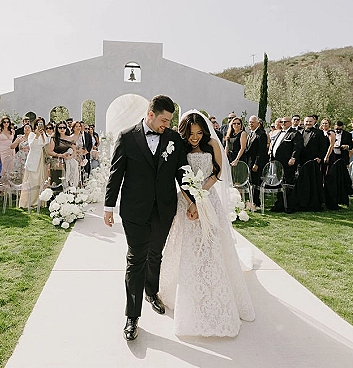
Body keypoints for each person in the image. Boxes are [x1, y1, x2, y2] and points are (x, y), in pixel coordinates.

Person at [103, 95, 196, 341]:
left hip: (164, 209)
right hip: (135, 210)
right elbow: (116, 173)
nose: (167, 125)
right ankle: (132, 316)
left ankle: (151, 292)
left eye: (170, 121)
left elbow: (181, 172)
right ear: (150, 114)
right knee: (136, 260)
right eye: (164, 120)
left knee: (156, 254)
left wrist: (193, 200)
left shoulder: (173, 138)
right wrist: (108, 206)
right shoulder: (126, 136)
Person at [159, 110, 255, 337]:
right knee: (187, 247)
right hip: (185, 201)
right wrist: (191, 202)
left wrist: (200, 199)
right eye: (191, 133)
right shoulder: (180, 147)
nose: (195, 138)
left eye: (199, 133)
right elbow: (178, 177)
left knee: (210, 246)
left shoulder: (212, 143)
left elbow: (217, 172)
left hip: (207, 198)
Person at [269, 116, 303, 212]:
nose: (283, 123)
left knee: (288, 184)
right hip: (277, 162)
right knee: (280, 183)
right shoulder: (280, 132)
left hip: (288, 163)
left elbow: (297, 147)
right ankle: (279, 204)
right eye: (281, 122)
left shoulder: (295, 134)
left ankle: (289, 205)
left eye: (285, 122)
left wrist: (293, 158)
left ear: (290, 122)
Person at [18, 118, 48, 208]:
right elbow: (31, 145)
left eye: (41, 124)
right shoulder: (32, 134)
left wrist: (42, 134)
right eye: (38, 124)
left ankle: (39, 201)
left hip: (40, 158)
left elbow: (45, 143)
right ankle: (28, 201)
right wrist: (37, 135)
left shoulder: (44, 134)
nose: (40, 125)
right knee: (31, 180)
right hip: (33, 158)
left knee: (39, 179)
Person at [244, 116, 268, 208]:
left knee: (256, 183)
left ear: (258, 123)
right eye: (250, 122)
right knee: (251, 182)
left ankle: (256, 203)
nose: (251, 124)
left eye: (253, 122)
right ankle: (251, 201)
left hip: (256, 163)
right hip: (249, 161)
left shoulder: (261, 134)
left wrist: (256, 164)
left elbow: (261, 151)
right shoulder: (250, 133)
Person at [46, 121, 75, 189]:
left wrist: (71, 156)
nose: (62, 129)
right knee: (57, 182)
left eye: (64, 127)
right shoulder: (54, 138)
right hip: (56, 163)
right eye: (60, 127)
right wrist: (60, 155)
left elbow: (74, 150)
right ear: (57, 128)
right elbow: (49, 152)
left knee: (69, 183)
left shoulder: (70, 138)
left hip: (69, 163)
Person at [0, 116, 15, 181]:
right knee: (2, 168)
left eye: (8, 122)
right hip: (2, 150)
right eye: (4, 122)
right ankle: (0, 185)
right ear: (2, 123)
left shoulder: (12, 131)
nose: (6, 123)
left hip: (11, 150)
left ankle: (9, 185)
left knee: (10, 167)